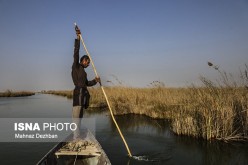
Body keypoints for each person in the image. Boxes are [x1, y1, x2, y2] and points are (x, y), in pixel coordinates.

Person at [71, 27, 100, 139]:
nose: (88, 63)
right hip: (78, 95)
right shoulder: (76, 67)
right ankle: (76, 138)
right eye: (86, 61)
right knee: (76, 119)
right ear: (82, 61)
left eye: (88, 62)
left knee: (80, 118)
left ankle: (77, 136)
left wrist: (96, 81)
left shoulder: (83, 72)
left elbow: (87, 83)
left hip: (83, 96)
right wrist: (78, 37)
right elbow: (76, 52)